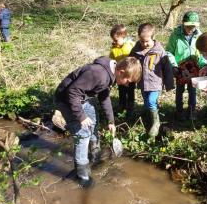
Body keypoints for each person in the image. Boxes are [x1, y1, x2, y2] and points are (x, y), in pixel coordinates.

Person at [54, 56, 142, 187]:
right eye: (127, 80)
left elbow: (104, 97)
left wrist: (111, 121)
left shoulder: (109, 74)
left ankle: (95, 154)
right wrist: (81, 117)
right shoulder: (98, 74)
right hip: (66, 100)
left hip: (82, 99)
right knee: (82, 134)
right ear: (121, 71)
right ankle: (83, 176)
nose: (126, 84)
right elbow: (72, 92)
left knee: (94, 120)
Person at [130, 23, 174, 138]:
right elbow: (130, 63)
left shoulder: (159, 51)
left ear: (153, 38)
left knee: (150, 101)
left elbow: (167, 68)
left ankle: (156, 123)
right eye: (141, 41)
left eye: (147, 41)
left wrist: (169, 83)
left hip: (155, 82)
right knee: (147, 102)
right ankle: (149, 118)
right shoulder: (136, 50)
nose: (144, 44)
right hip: (142, 82)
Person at [166, 11, 206, 120]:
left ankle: (192, 110)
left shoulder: (199, 35)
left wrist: (202, 64)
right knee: (179, 90)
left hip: (194, 67)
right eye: (188, 26)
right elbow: (169, 51)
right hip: (180, 67)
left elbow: (203, 52)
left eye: (193, 26)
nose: (191, 29)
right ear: (183, 24)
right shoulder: (175, 35)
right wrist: (174, 65)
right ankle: (179, 111)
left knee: (192, 90)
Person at [109, 24, 136, 118]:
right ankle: (122, 108)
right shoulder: (114, 49)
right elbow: (111, 60)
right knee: (121, 91)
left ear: (123, 37)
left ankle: (130, 109)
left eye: (116, 40)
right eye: (113, 40)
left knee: (130, 91)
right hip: (119, 75)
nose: (114, 42)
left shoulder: (131, 46)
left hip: (130, 74)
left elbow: (135, 60)